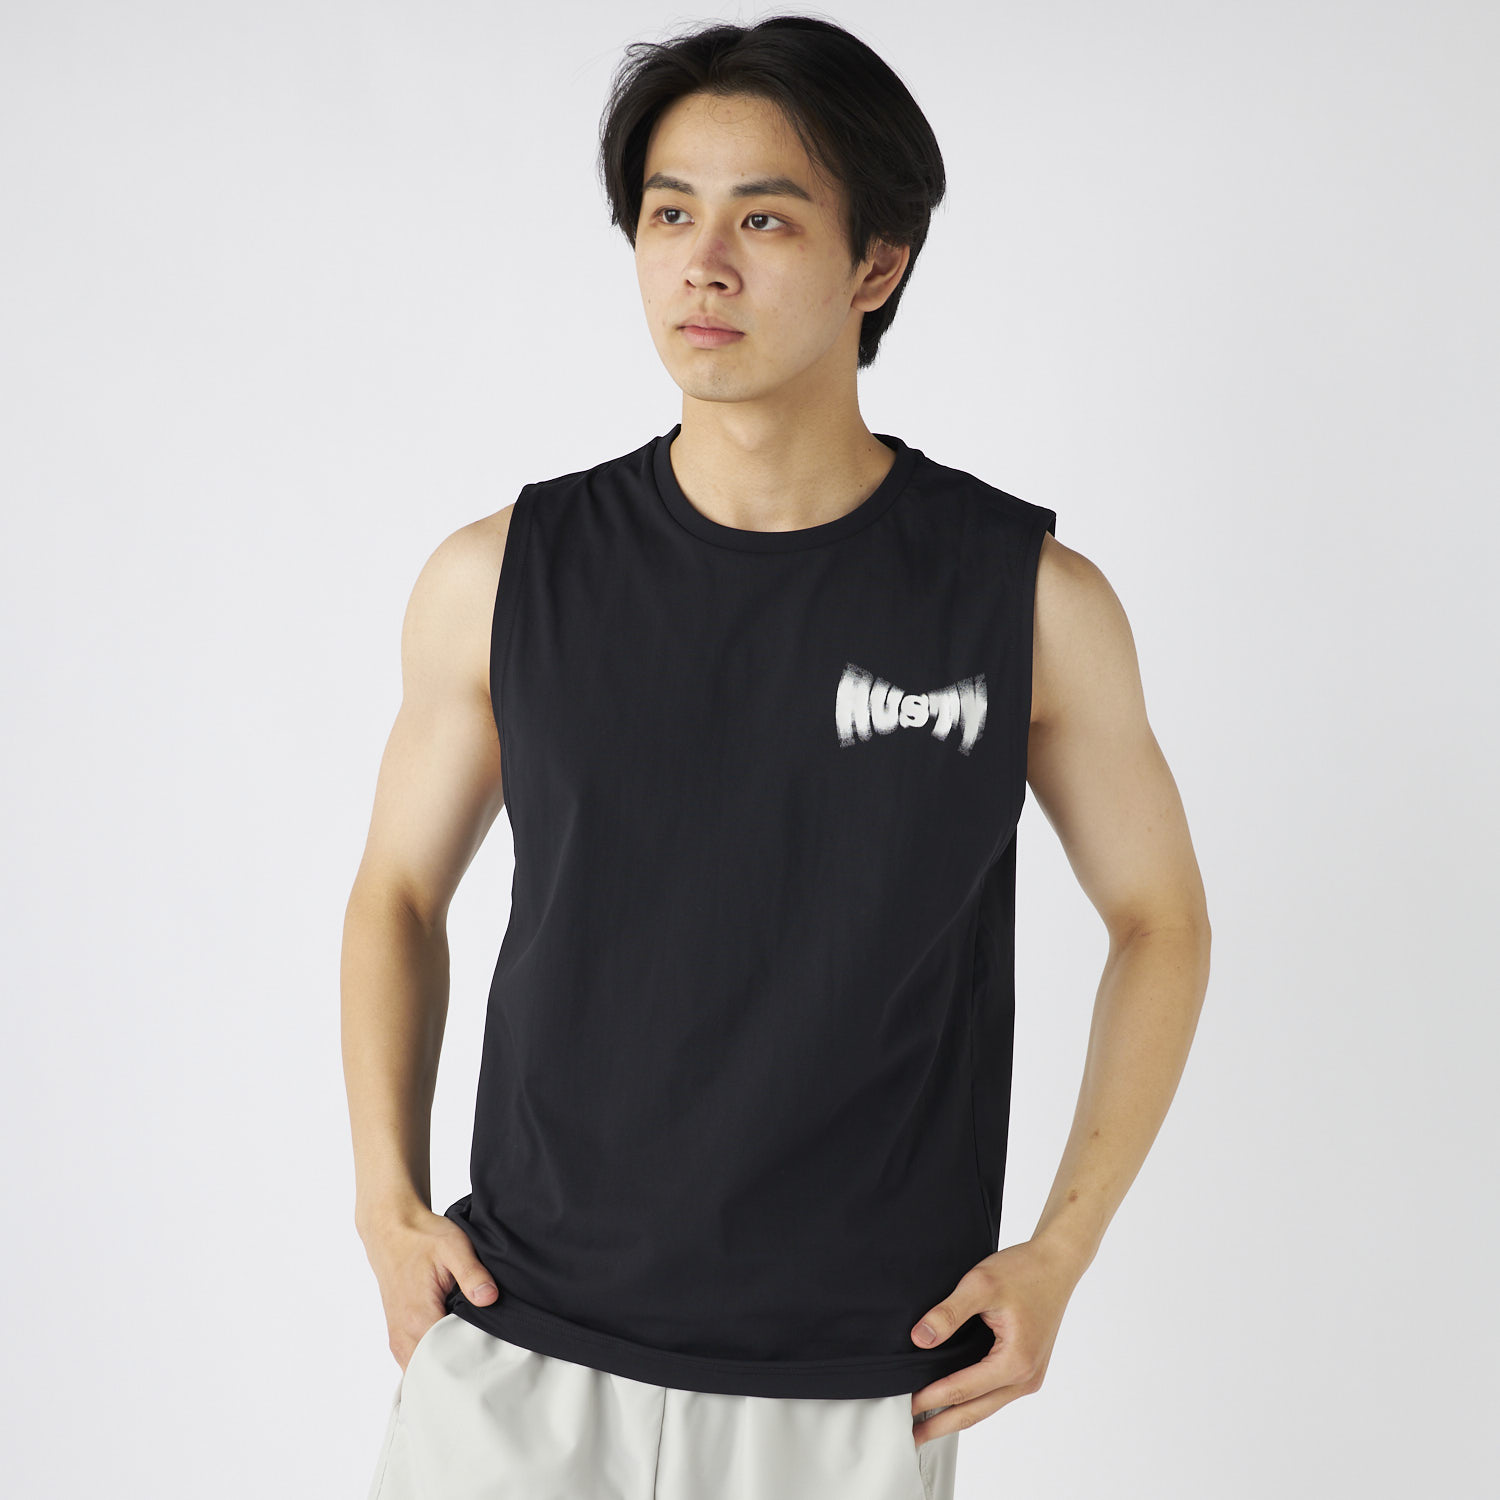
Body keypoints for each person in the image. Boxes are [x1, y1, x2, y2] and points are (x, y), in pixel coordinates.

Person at [342, 16, 1211, 1500]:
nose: (703, 264)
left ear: (877, 265)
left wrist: (1058, 1253)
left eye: (765, 219)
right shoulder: (500, 576)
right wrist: (387, 1200)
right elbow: (396, 894)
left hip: (855, 1379)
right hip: (519, 1343)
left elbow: (1161, 919)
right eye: (668, 213)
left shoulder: (1026, 601)